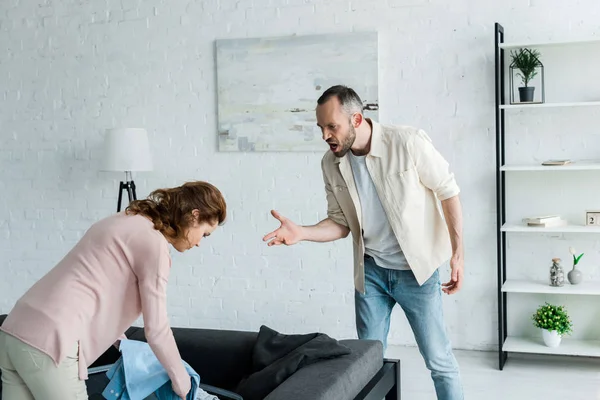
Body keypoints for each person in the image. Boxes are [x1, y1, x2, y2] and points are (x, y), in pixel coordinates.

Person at [263, 85, 464, 399]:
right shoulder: (331, 164)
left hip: (417, 273)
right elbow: (340, 224)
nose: (325, 135)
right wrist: (302, 232)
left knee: (439, 360)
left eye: (332, 126)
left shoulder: (407, 142)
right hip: (370, 273)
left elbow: (448, 190)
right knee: (365, 362)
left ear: (356, 119)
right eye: (321, 128)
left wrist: (457, 253)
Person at [0, 180, 227, 400]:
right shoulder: (155, 245)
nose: (199, 243)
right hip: (50, 343)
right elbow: (157, 329)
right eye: (205, 234)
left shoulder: (124, 219)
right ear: (194, 215)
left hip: (14, 330)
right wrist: (183, 382)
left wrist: (121, 341)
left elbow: (96, 281)